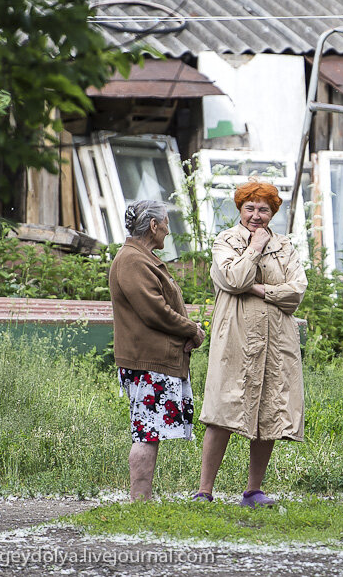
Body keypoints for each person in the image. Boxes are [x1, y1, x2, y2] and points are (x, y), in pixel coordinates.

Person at [194, 181, 308, 507]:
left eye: (264, 209)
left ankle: (253, 490)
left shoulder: (285, 246)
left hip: (277, 340)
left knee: (270, 412)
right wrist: (254, 248)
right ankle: (204, 490)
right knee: (223, 409)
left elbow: (296, 292)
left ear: (273, 213)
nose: (257, 215)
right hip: (236, 338)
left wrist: (260, 291)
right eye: (250, 208)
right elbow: (234, 279)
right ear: (240, 209)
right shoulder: (225, 241)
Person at [109, 199, 206, 502]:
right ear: (153, 225)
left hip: (153, 359)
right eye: (165, 222)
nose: (168, 229)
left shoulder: (140, 258)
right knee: (146, 432)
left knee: (149, 430)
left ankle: (143, 497)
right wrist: (192, 330)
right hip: (147, 361)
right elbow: (155, 311)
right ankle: (140, 499)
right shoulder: (133, 260)